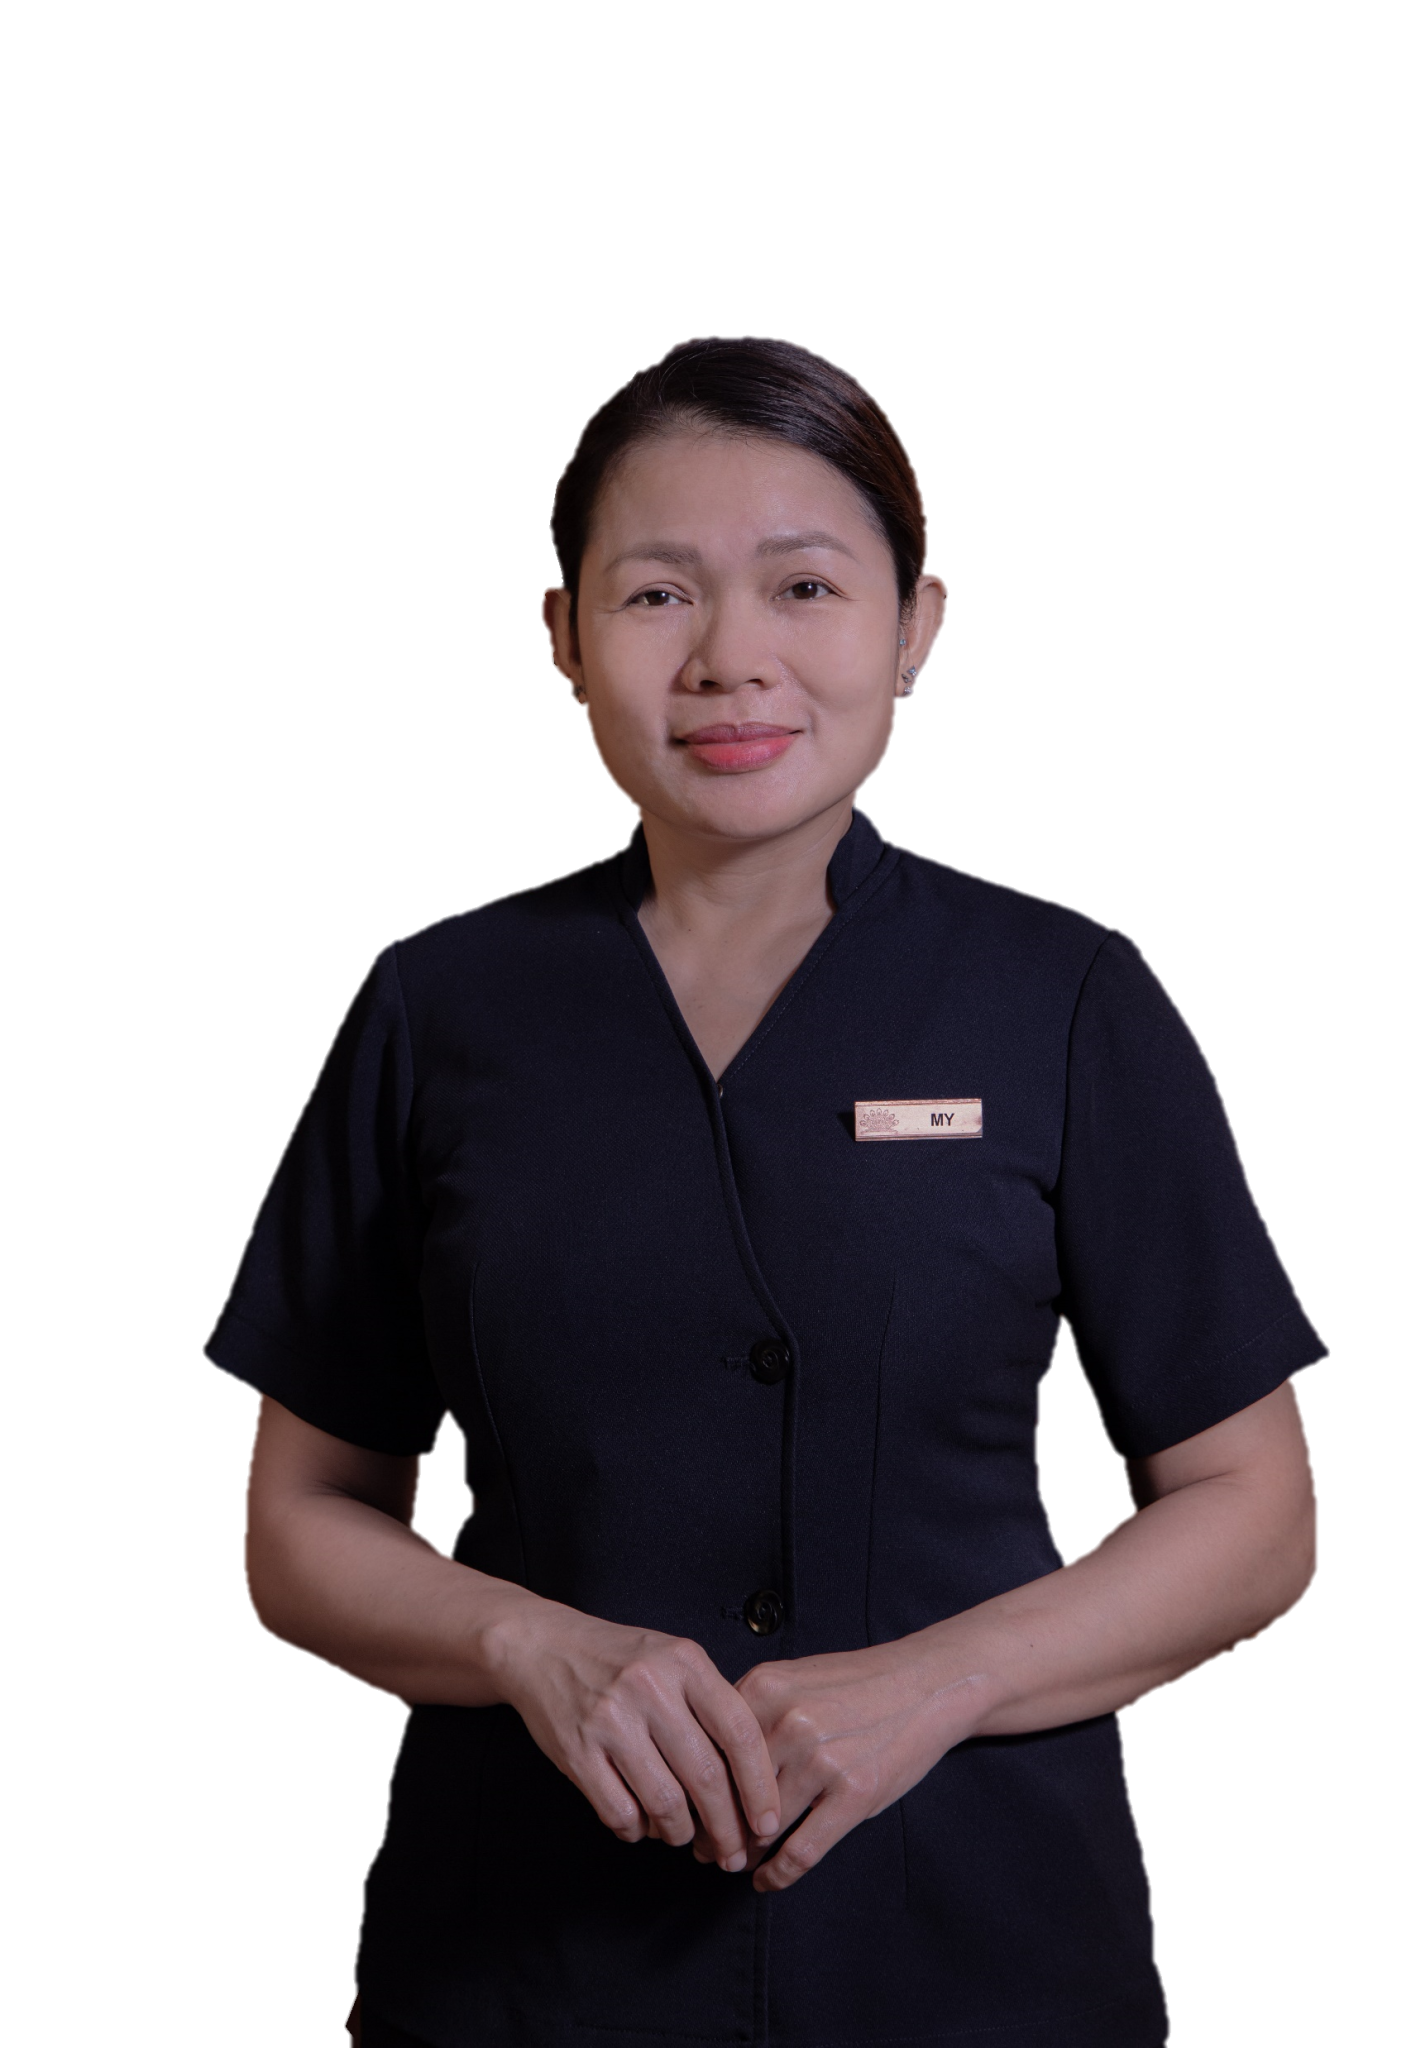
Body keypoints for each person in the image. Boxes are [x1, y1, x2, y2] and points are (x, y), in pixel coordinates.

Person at [208, 334, 1326, 2048]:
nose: (731, 659)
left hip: (981, 1948)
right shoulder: (437, 1006)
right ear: (564, 641)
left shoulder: (1068, 994)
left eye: (803, 585)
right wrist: (526, 1644)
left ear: (914, 629)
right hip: (517, 1960)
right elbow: (298, 1525)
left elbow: (1253, 1511)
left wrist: (936, 1682)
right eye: (657, 595)